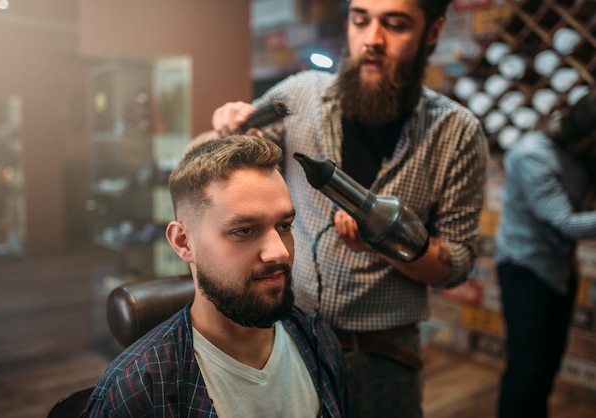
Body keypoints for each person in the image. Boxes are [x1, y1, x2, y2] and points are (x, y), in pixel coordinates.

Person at [207, 0, 489, 416]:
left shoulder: (456, 132)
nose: (372, 39)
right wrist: (226, 129)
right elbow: (224, 162)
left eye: (395, 24)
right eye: (361, 20)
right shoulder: (298, 96)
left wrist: (385, 246)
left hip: (382, 354)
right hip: (288, 338)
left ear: (432, 32)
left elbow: (458, 263)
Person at [83, 135, 351, 417]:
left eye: (284, 225)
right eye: (244, 230)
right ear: (184, 242)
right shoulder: (138, 391)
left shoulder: (317, 340)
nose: (279, 252)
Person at [494, 89, 596, 418]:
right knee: (526, 369)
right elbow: (565, 223)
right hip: (525, 267)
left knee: (548, 364)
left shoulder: (580, 155)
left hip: (560, 267)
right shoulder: (532, 155)